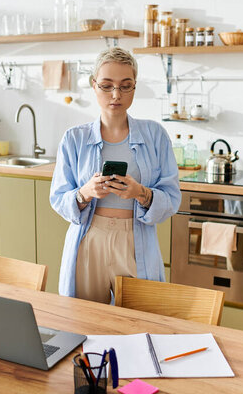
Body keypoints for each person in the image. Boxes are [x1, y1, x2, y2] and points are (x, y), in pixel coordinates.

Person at [50, 47, 181, 304]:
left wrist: (141, 193)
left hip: (135, 239)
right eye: (107, 85)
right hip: (90, 240)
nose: (116, 95)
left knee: (140, 320)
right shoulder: (74, 138)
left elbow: (172, 198)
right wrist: (84, 193)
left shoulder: (155, 135)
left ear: (134, 87)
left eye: (125, 86)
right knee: (84, 322)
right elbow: (58, 199)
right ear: (94, 85)